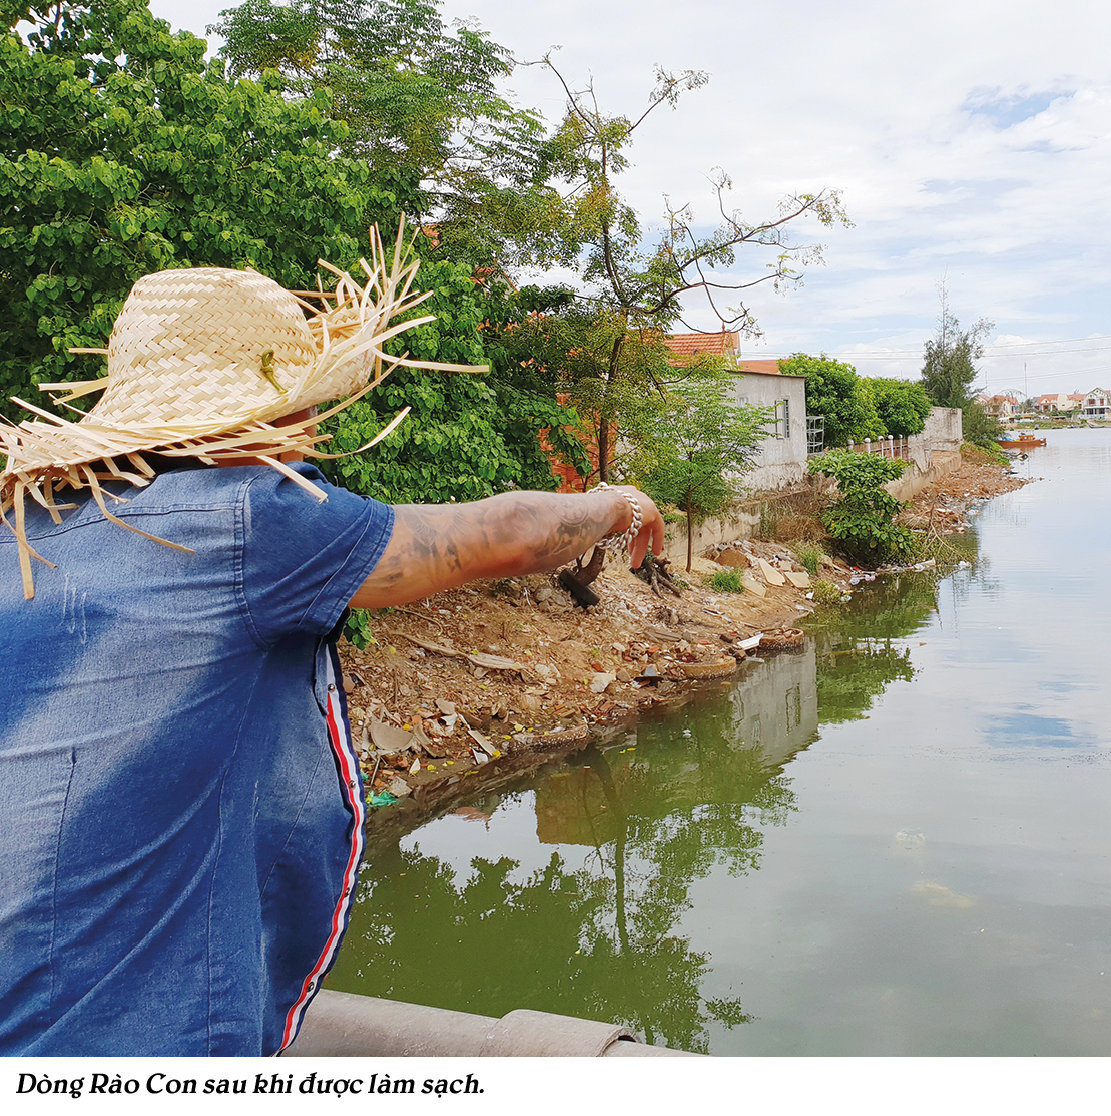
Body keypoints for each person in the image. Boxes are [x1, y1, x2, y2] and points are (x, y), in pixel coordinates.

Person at [0, 235, 663, 1055]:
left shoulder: (19, 529)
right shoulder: (245, 520)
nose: (313, 429)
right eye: (305, 405)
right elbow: (514, 534)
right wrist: (617, 502)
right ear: (269, 416)